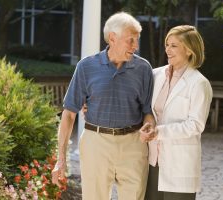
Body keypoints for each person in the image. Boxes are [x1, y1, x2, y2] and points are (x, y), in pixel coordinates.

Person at [51, 12, 155, 200]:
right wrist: (61, 159)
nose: (136, 46)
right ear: (112, 38)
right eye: (130, 40)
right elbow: (68, 114)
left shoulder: (143, 69)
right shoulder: (86, 67)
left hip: (133, 145)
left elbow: (147, 112)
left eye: (137, 40)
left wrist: (149, 125)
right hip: (96, 143)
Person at [140, 25, 213, 200]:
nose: (168, 50)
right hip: (152, 161)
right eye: (167, 44)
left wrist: (159, 132)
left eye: (174, 45)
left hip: (180, 165)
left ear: (189, 50)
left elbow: (195, 124)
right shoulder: (155, 75)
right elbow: (141, 105)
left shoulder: (199, 83)